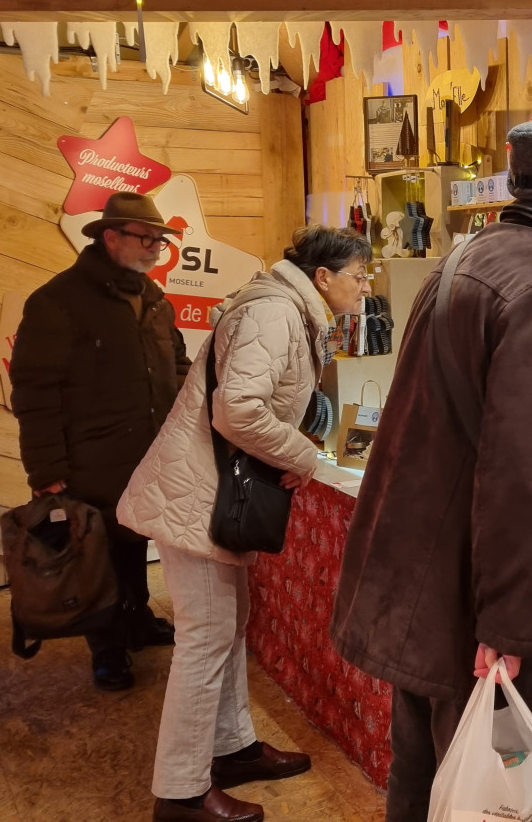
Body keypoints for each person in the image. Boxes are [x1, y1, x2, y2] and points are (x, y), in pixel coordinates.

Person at [330, 113, 532, 822]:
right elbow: (527, 474)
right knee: (487, 794)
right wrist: (509, 624)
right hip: (470, 600)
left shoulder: (469, 257)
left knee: (427, 774)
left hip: (417, 581)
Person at [118, 225, 372, 822]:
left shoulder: (284, 309)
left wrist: (289, 445)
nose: (365, 289)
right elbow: (237, 410)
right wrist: (302, 455)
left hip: (207, 491)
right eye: (359, 276)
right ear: (323, 277)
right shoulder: (277, 315)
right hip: (197, 498)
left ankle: (231, 749)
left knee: (228, 627)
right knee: (205, 640)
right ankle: (179, 793)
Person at [11, 191, 188, 691]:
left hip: (146, 454)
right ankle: (107, 648)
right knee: (96, 554)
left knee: (132, 542)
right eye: (146, 237)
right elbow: (35, 391)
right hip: (89, 459)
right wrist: (45, 471)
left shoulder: (153, 300)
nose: (156, 247)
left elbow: (175, 366)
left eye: (160, 238)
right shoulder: (57, 301)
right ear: (110, 237)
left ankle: (136, 620)